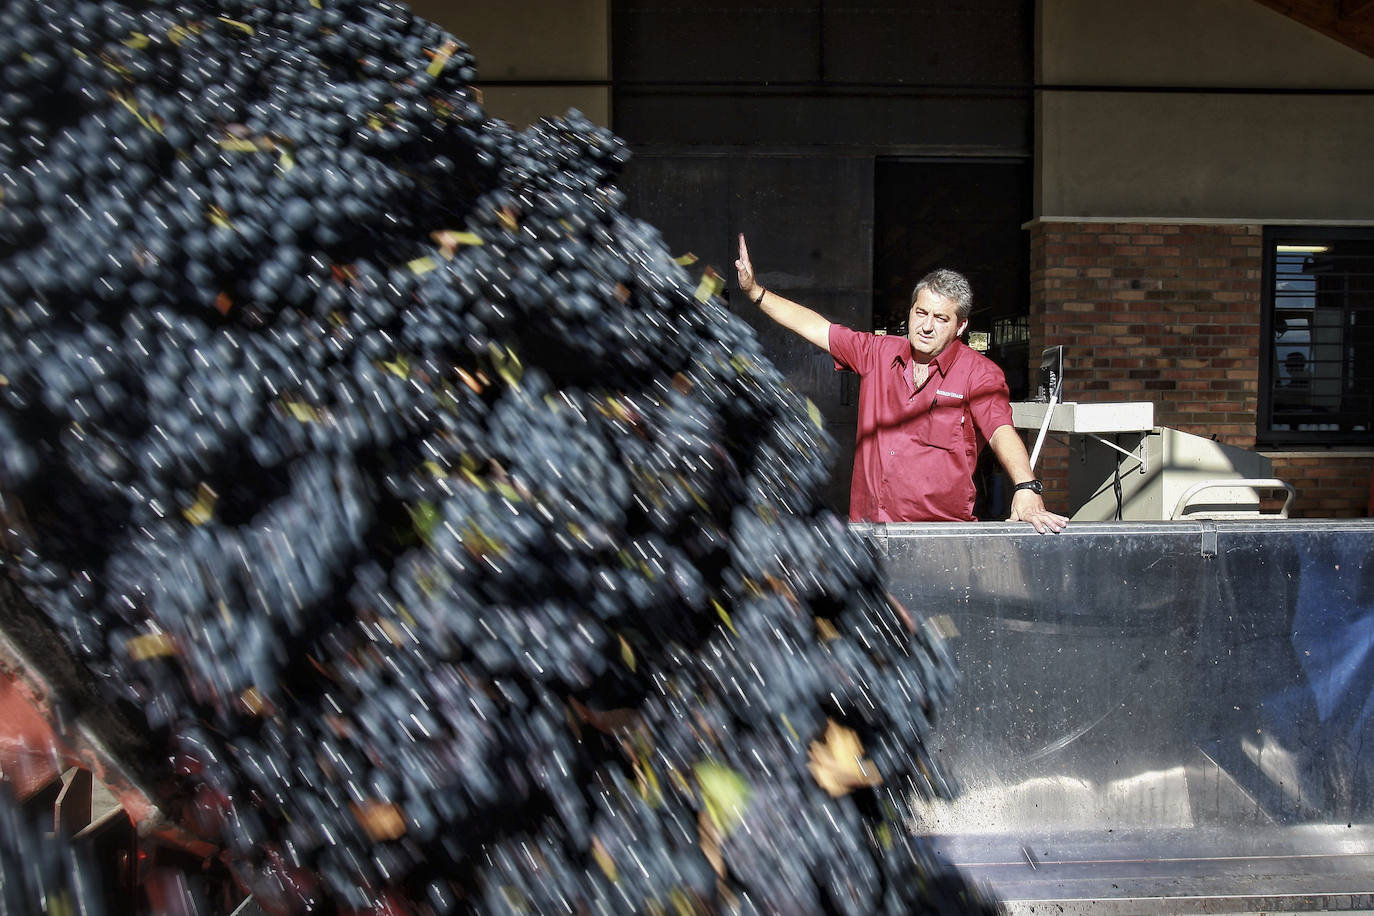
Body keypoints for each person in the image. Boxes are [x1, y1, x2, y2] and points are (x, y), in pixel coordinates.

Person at [735, 233, 1068, 533]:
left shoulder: (978, 373)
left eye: (940, 318)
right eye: (921, 313)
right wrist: (755, 292)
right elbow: (817, 328)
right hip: (869, 534)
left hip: (938, 541)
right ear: (909, 312)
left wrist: (1026, 487)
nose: (926, 326)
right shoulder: (877, 353)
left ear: (960, 326)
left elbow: (1000, 430)